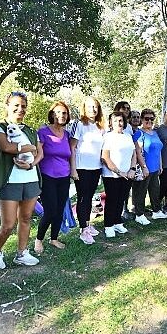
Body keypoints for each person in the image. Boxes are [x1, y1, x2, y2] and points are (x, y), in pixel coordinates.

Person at [0, 91, 43, 269]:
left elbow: (39, 153)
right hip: (9, 181)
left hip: (31, 179)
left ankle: (22, 253)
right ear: (7, 106)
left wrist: (30, 164)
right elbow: (5, 146)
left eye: (23, 106)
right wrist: (27, 147)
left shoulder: (30, 130)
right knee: (8, 224)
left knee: (26, 218)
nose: (20, 109)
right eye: (16, 105)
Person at [34, 101, 72, 254]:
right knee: (50, 211)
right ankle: (38, 240)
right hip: (48, 176)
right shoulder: (43, 132)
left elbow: (69, 155)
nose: (61, 116)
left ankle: (54, 238)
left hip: (64, 176)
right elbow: (38, 154)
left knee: (60, 209)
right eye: (58, 112)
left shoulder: (67, 134)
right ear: (51, 114)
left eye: (64, 113)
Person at [70, 96, 105, 244]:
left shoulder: (99, 127)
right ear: (84, 108)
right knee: (83, 198)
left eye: (95, 106)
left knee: (90, 197)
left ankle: (88, 225)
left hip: (95, 167)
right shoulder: (79, 124)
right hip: (82, 167)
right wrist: (73, 169)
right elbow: (72, 147)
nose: (93, 109)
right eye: (90, 106)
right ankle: (83, 229)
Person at [101, 112, 137, 237]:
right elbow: (105, 157)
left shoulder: (127, 136)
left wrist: (132, 169)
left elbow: (134, 154)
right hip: (112, 175)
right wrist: (118, 171)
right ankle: (108, 225)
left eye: (121, 120)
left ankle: (117, 222)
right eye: (115, 121)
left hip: (127, 174)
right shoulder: (108, 137)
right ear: (111, 123)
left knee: (121, 199)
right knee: (112, 199)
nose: (119, 123)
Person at [133, 108, 167, 225]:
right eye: (146, 119)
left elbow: (158, 150)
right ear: (142, 120)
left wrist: (160, 165)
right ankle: (139, 214)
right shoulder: (139, 133)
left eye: (151, 119)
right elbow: (138, 152)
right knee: (141, 192)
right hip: (145, 169)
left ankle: (156, 211)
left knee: (155, 191)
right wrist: (144, 167)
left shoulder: (155, 133)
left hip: (155, 168)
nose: (149, 121)